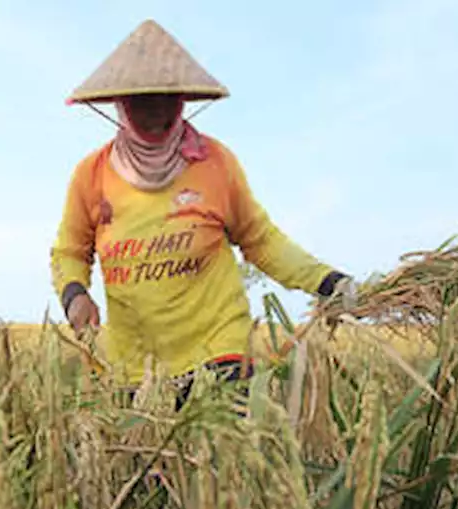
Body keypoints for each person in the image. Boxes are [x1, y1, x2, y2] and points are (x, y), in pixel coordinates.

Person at [49, 20, 357, 409]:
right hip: (136, 364)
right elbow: (69, 251)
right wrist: (74, 294)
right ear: (121, 104)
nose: (155, 110)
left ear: (181, 101)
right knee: (151, 468)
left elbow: (261, 239)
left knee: (220, 464)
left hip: (218, 350)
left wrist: (326, 281)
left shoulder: (216, 163)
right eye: (142, 100)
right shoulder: (91, 175)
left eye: (167, 98)